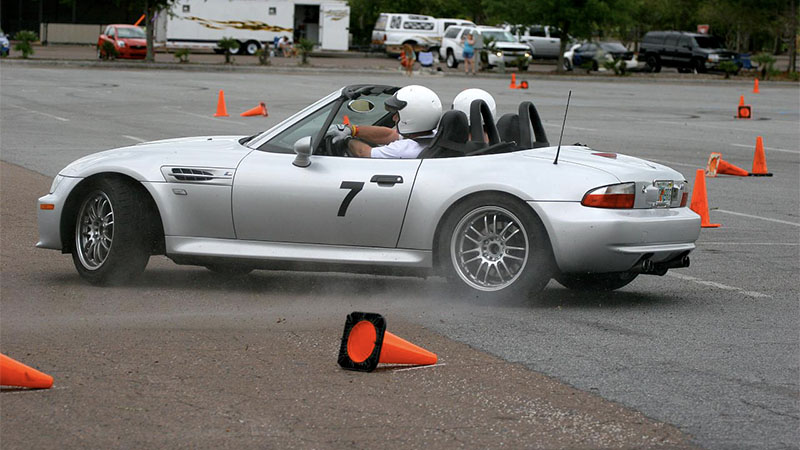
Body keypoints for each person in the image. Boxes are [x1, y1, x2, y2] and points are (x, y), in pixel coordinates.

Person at [325, 85, 442, 158]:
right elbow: (390, 134)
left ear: (411, 116)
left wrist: (346, 139)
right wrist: (352, 130)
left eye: (397, 114)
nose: (394, 118)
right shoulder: (436, 137)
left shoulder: (404, 149)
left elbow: (363, 152)